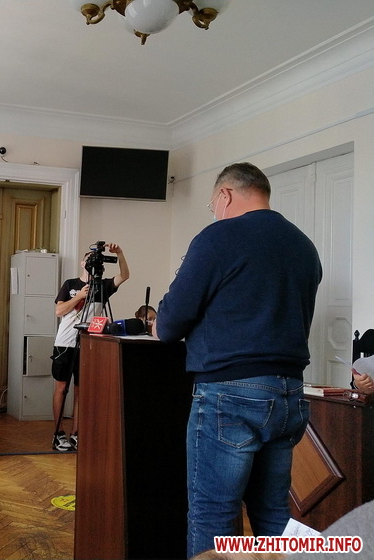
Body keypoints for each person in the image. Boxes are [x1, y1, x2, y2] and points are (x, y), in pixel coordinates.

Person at [152, 162, 323, 557]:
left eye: (213, 204)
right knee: (273, 513)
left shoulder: (218, 237)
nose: (214, 212)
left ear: (225, 195)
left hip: (230, 395)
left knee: (213, 514)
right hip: (289, 394)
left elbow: (169, 325)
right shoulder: (304, 245)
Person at [50, 242, 130, 451]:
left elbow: (124, 276)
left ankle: (77, 433)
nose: (92, 264)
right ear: (82, 263)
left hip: (88, 345)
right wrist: (78, 296)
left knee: (81, 391)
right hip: (65, 343)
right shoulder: (70, 284)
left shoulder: (103, 286)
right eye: (89, 260)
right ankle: (58, 433)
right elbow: (59, 311)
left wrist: (120, 253)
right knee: (61, 388)